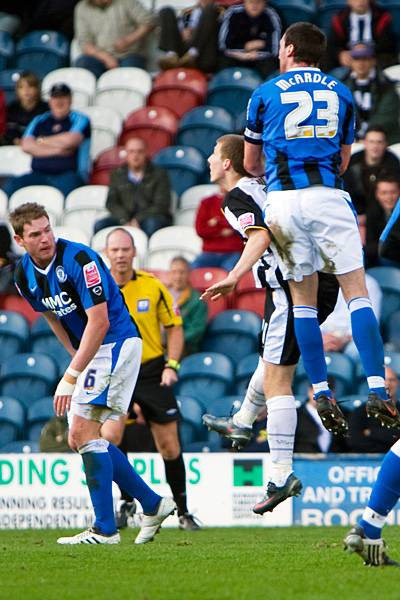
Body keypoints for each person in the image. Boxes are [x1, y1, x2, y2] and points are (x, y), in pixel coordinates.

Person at [243, 21, 400, 435]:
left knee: (304, 301)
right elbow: (346, 159)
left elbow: (249, 164)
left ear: (290, 48)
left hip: (283, 203)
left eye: (280, 46)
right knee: (357, 294)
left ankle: (321, 388)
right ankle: (378, 387)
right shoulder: (342, 92)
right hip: (328, 196)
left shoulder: (263, 94)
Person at [10, 202, 175, 545]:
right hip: (94, 351)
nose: (45, 238)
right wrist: (75, 355)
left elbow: (99, 322)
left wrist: (71, 374)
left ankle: (106, 529)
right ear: (20, 239)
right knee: (79, 438)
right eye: (35, 234)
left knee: (84, 433)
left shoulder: (80, 260)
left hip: (116, 342)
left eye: (48, 229)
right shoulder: (23, 275)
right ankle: (152, 502)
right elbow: (51, 315)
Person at [202, 134, 339, 513]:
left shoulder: (236, 198)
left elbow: (260, 233)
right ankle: (243, 420)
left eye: (214, 154)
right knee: (271, 362)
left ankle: (281, 475)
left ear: (227, 163)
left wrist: (234, 275)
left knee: (279, 379)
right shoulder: (264, 185)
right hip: (307, 281)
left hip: (294, 288)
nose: (209, 160)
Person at [101, 228, 200, 531]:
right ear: (107, 254)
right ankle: (127, 502)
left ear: (134, 253)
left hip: (151, 371)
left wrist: (172, 365)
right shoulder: (98, 289)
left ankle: (183, 511)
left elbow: (175, 326)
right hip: (115, 371)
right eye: (114, 250)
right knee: (110, 439)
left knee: (169, 446)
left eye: (125, 250)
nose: (120, 255)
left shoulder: (153, 285)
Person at [3, 83, 91, 198]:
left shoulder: (80, 118)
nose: (59, 102)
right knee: (10, 186)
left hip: (68, 174)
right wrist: (61, 150)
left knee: (68, 192)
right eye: (55, 97)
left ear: (70, 99)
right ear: (50, 101)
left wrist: (40, 141)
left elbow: (71, 140)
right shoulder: (40, 120)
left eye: (63, 97)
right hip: (38, 174)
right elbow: (26, 145)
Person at [95, 137, 172, 238]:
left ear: (146, 153)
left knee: (152, 224)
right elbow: (111, 202)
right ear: (126, 154)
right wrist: (125, 220)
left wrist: (137, 220)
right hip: (124, 217)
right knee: (100, 225)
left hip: (150, 217)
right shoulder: (117, 174)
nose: (135, 156)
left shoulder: (159, 174)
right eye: (131, 152)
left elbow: (161, 205)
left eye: (140, 151)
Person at [74, 0, 154, 77]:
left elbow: (149, 22)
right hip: (100, 57)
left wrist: (128, 40)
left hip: (130, 54)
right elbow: (84, 42)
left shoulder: (127, 1)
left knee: (129, 70)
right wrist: (106, 58)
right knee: (83, 63)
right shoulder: (82, 8)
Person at [341, 43, 400, 144]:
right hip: (352, 141)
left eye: (365, 58)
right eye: (357, 59)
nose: (361, 63)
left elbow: (387, 116)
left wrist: (368, 137)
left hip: (383, 141)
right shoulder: (342, 85)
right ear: (351, 62)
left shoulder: (385, 85)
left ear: (373, 61)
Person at [343, 126, 400, 219]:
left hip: (383, 215)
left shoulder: (393, 163)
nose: (375, 146)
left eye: (379, 142)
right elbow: (347, 190)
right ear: (365, 143)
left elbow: (393, 192)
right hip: (356, 213)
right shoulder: (353, 162)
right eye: (371, 142)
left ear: (386, 144)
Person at [326, 0, 397, 71]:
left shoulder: (382, 16)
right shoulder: (340, 18)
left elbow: (388, 45)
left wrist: (368, 52)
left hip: (375, 60)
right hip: (348, 62)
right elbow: (332, 45)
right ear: (348, 1)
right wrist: (339, 54)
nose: (360, 2)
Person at [321, 273, 381, 355]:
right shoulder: (319, 279)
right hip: (320, 335)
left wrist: (342, 340)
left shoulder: (368, 283)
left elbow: (367, 326)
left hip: (350, 339)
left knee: (358, 349)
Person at [218, 0, 281, 78]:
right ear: (244, 2)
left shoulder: (271, 15)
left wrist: (257, 55)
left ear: (264, 3)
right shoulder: (233, 13)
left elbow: (274, 49)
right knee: (224, 61)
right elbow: (224, 46)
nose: (254, 5)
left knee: (269, 65)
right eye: (251, 2)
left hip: (260, 58)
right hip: (236, 56)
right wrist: (245, 48)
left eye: (258, 2)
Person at [347, 367, 400, 453]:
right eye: (383, 381)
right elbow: (354, 440)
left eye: (391, 380)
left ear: (397, 383)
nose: (387, 384)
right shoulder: (360, 412)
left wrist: (371, 433)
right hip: (366, 462)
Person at [158, 0, 220, 72]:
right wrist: (182, 31)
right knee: (166, 10)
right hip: (183, 51)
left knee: (210, 9)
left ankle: (192, 53)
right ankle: (171, 55)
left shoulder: (218, 10)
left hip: (201, 53)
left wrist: (193, 32)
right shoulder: (188, 12)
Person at [191, 187, 243, 271]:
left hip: (234, 251)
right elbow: (200, 230)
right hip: (209, 252)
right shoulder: (207, 202)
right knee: (191, 270)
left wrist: (217, 221)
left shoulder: (240, 201)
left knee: (231, 273)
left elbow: (241, 226)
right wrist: (221, 231)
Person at [168, 255, 208, 356]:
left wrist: (174, 341)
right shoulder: (161, 294)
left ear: (189, 274)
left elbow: (197, 330)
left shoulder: (197, 300)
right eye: (174, 272)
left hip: (185, 350)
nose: (178, 277)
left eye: (182, 272)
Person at [294, 382, 348, 453]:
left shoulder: (344, 414)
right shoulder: (297, 415)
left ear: (332, 393)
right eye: (317, 392)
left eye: (325, 393)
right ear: (310, 391)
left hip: (336, 461)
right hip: (304, 461)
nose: (320, 397)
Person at [2, 72, 48, 146]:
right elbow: (11, 131)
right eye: (21, 87)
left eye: (30, 86)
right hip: (16, 146)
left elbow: (47, 130)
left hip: (41, 145)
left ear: (37, 89)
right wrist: (16, 140)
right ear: (17, 90)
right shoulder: (12, 108)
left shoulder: (45, 108)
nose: (26, 90)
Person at [365, 175, 400, 267]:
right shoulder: (372, 213)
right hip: (380, 260)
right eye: (384, 193)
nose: (389, 197)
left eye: (393, 192)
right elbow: (370, 245)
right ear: (377, 194)